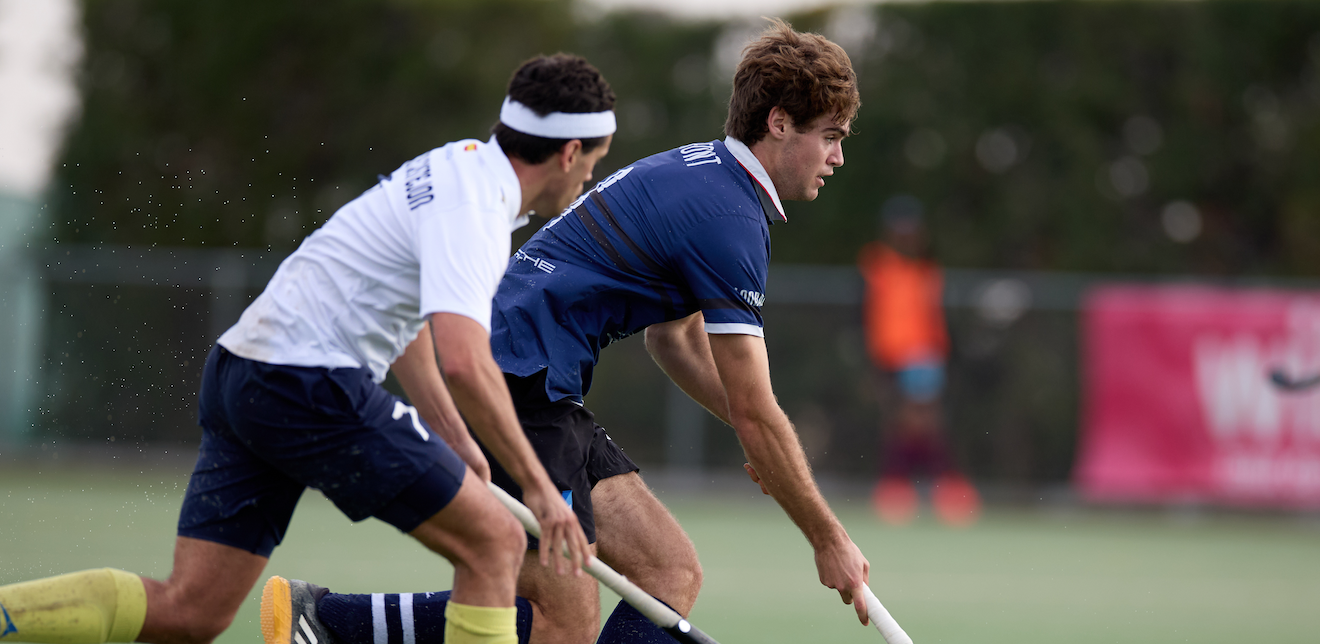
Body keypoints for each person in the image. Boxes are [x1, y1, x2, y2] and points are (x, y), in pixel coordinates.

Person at [286, 19, 875, 644]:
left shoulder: (703, 177)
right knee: (564, 617)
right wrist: (827, 538)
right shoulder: (728, 216)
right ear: (779, 123)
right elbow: (756, 410)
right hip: (515, 384)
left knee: (667, 572)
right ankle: (332, 622)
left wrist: (762, 441)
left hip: (543, 387)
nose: (838, 157)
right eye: (831, 137)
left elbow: (671, 341)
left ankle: (329, 621)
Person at [0, 53, 616, 644]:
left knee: (190, 611)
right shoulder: (477, 209)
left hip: (243, 371)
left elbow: (403, 322)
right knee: (494, 543)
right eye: (595, 161)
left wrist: (450, 432)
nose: (590, 175)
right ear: (568, 153)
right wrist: (538, 486)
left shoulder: (457, 169)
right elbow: (463, 357)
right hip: (305, 383)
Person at [857, 196, 979, 527]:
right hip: (889, 357)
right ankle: (900, 487)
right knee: (901, 422)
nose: (907, 235)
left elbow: (935, 320)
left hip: (924, 357)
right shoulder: (877, 266)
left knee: (927, 422)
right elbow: (865, 316)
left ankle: (938, 487)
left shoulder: (928, 270)